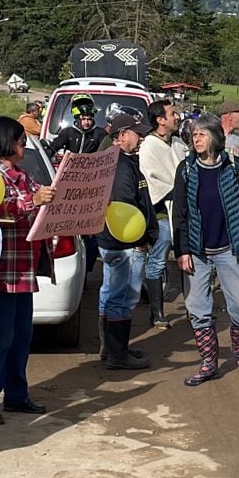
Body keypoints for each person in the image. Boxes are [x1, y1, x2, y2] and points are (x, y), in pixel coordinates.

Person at [171, 113, 239, 385]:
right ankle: (209, 362)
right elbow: (180, 213)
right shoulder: (186, 169)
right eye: (194, 135)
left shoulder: (234, 167)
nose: (196, 139)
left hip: (230, 248)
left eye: (202, 134)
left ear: (215, 137)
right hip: (197, 251)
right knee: (198, 308)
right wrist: (183, 250)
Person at [0, 117, 57, 424]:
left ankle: (17, 395)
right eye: (20, 139)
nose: (24, 144)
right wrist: (33, 201)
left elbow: (38, 199)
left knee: (22, 339)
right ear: (5, 140)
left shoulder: (21, 175)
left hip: (23, 270)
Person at [97, 114, 158, 370]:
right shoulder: (121, 166)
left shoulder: (118, 161)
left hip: (114, 240)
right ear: (121, 136)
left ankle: (112, 348)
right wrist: (139, 239)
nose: (141, 138)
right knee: (122, 297)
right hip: (124, 242)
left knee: (111, 294)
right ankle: (117, 354)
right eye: (137, 133)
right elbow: (124, 206)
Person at [137, 99, 185, 329]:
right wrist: (174, 191)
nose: (177, 117)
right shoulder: (148, 145)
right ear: (160, 119)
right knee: (158, 261)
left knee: (189, 256)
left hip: (183, 209)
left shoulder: (177, 143)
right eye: (172, 113)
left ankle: (195, 307)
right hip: (161, 211)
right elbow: (151, 180)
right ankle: (157, 313)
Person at [48, 96, 105, 161]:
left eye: (89, 119)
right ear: (78, 119)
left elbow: (107, 151)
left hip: (91, 168)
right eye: (83, 119)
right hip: (71, 168)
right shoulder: (68, 132)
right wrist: (49, 151)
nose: (86, 122)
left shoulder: (100, 133)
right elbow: (54, 146)